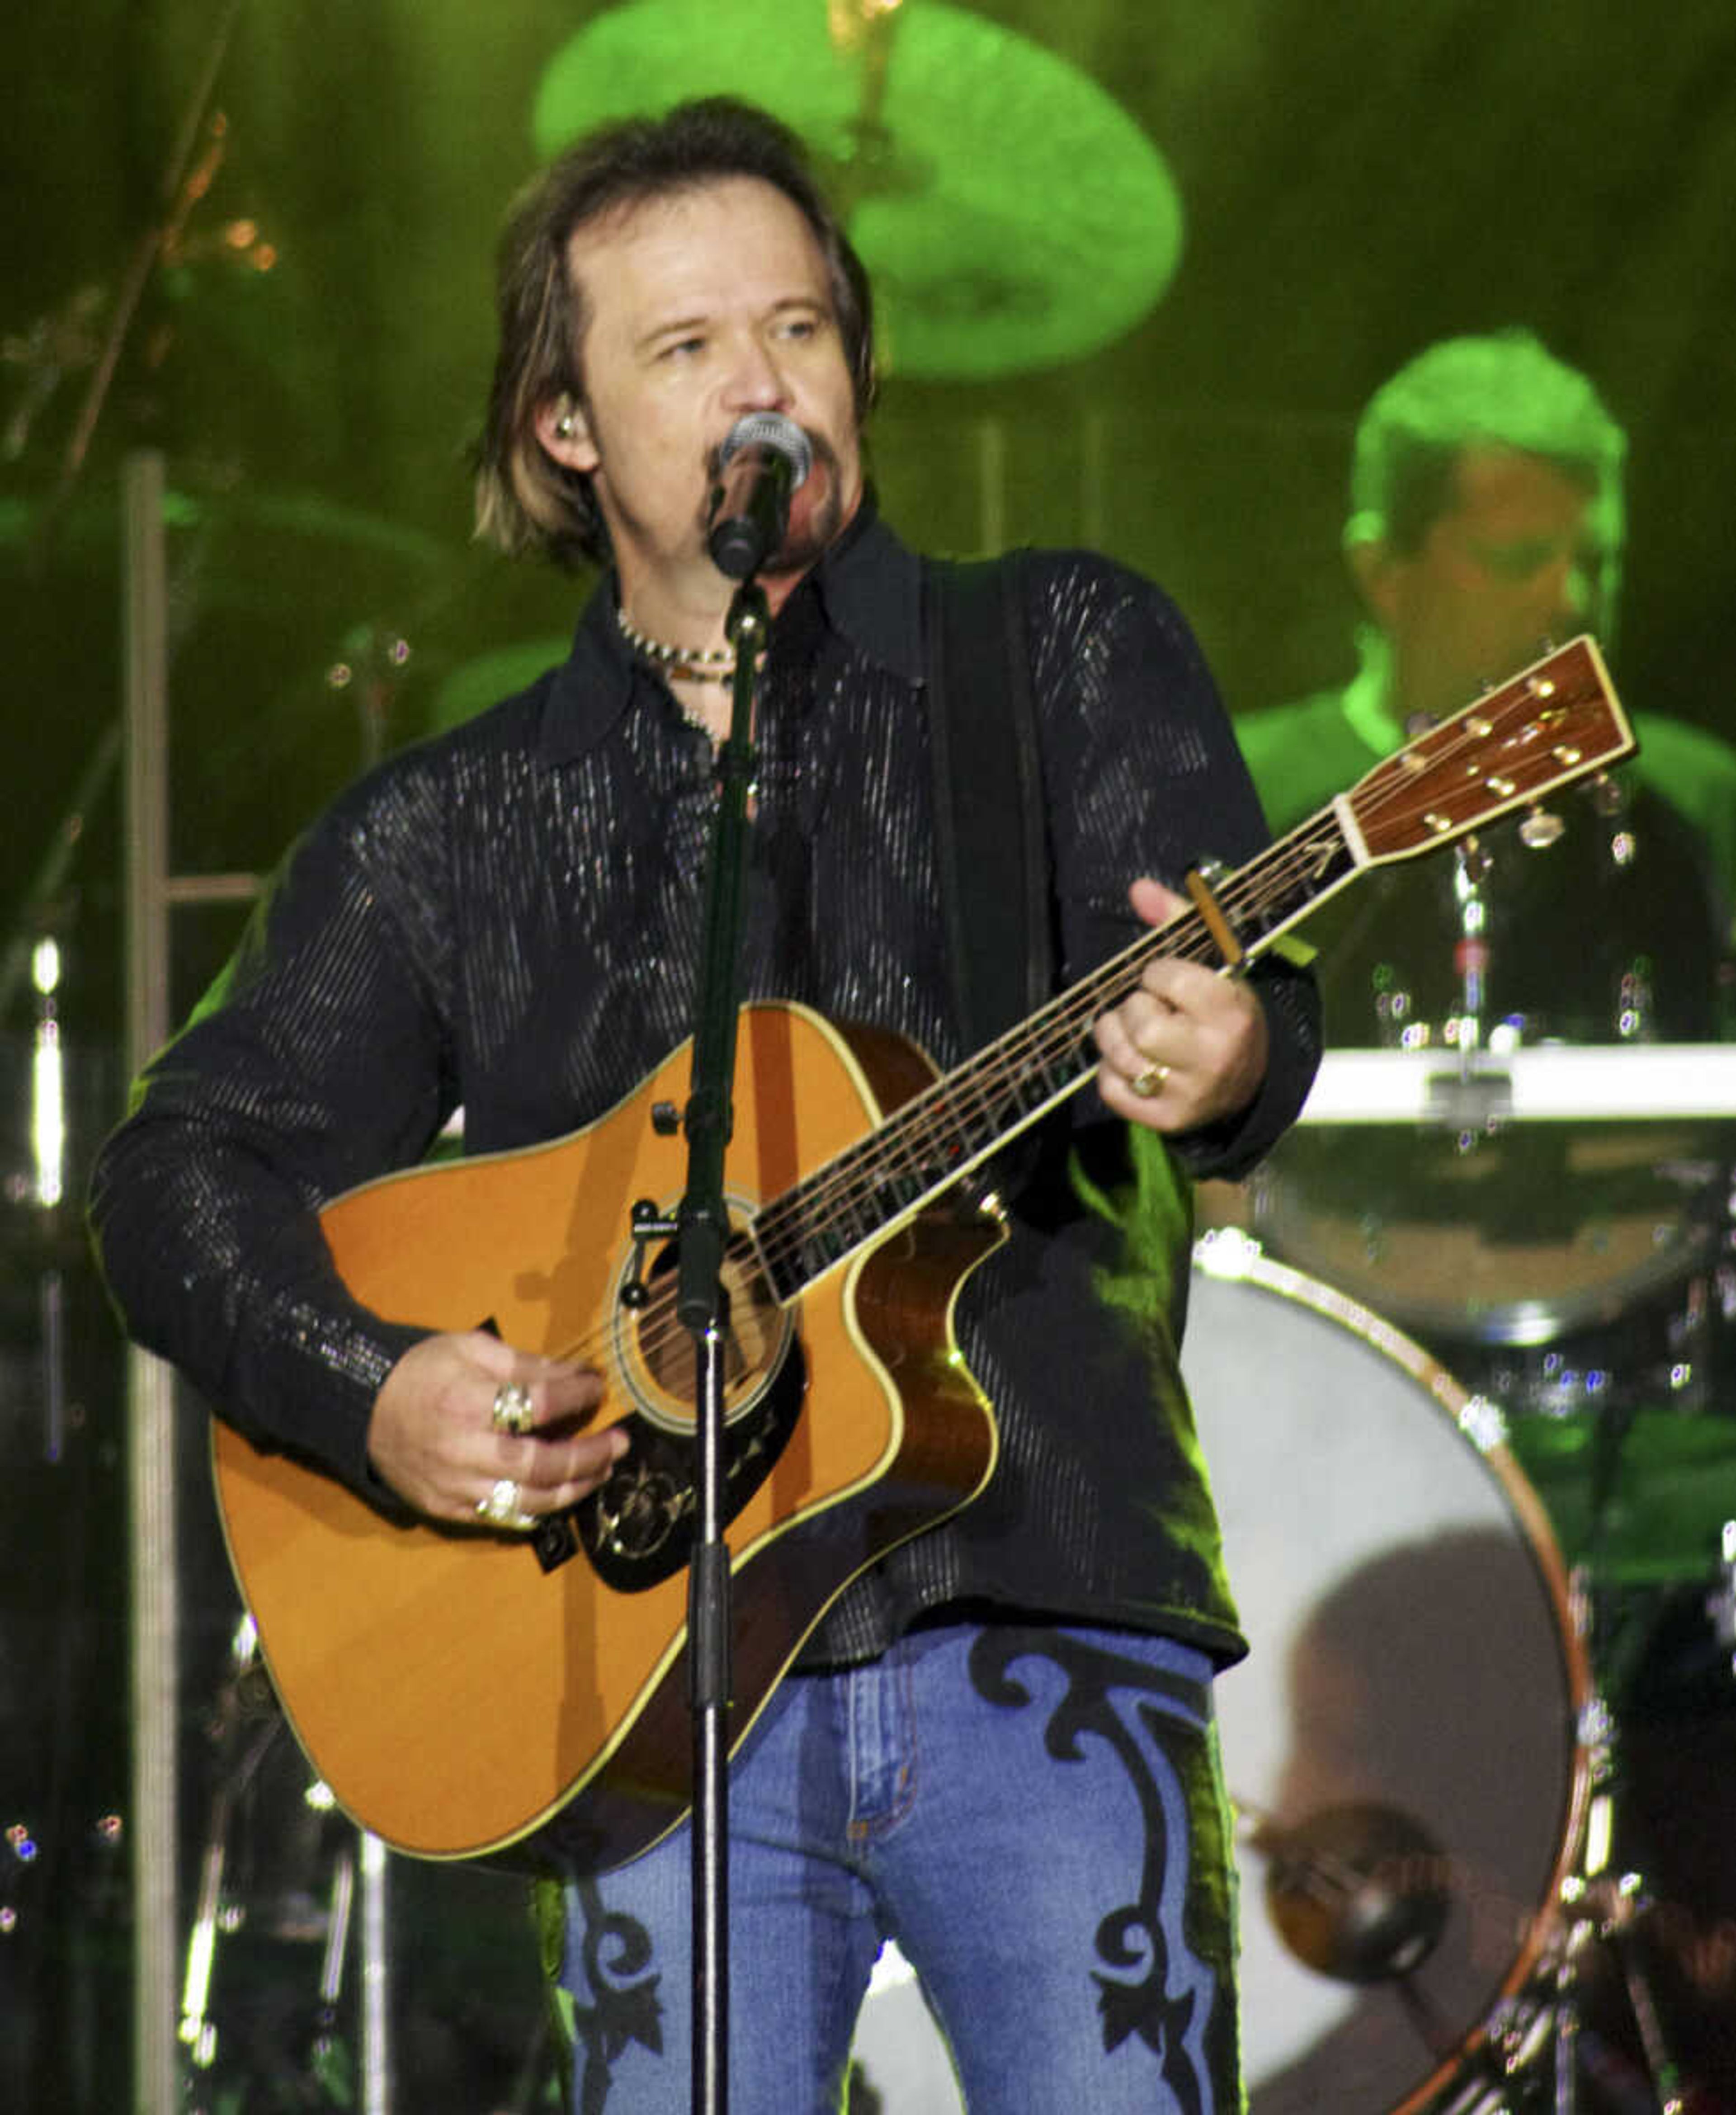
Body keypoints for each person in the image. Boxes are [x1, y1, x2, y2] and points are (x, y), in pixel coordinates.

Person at [89, 99, 1319, 2112]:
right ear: (564, 425)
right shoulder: (456, 826)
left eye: (803, 331)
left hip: (1043, 1604)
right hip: (653, 1689)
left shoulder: (1064, 650)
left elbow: (1242, 1000)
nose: (766, 384)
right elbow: (174, 1174)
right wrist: (373, 1384)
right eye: (687, 350)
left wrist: (1240, 1050)